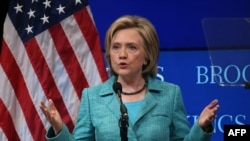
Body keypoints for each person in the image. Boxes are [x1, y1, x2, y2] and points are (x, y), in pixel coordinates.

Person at [40, 15, 219, 141]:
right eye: (116, 47)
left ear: (148, 55)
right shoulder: (92, 97)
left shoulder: (170, 95)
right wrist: (59, 128)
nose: (122, 54)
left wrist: (201, 127)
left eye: (132, 47)